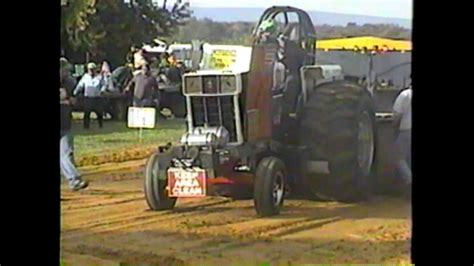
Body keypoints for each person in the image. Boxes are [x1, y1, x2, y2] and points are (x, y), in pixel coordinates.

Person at [60, 58, 89, 191]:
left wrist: (70, 100)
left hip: (65, 123)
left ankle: (74, 180)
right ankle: (74, 179)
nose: (66, 72)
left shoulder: (69, 83)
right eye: (64, 70)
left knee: (66, 153)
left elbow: (75, 100)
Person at [74, 62, 107, 129]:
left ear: (95, 69)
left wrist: (102, 90)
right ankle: (86, 126)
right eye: (90, 69)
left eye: (92, 69)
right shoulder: (85, 77)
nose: (91, 71)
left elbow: (104, 84)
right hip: (88, 97)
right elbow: (80, 85)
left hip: (97, 98)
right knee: (87, 112)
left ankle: (100, 125)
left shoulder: (99, 77)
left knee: (99, 113)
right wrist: (75, 92)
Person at [392, 83, 412, 194]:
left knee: (398, 158)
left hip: (407, 131)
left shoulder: (405, 95)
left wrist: (394, 128)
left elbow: (397, 115)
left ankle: (409, 180)